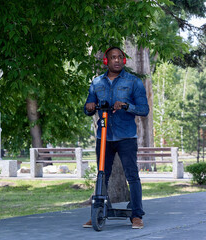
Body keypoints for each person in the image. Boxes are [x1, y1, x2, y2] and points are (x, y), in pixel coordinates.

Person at [83, 47, 149, 229]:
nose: (117, 60)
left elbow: (144, 109)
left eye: (120, 57)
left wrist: (126, 106)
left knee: (132, 176)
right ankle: (99, 212)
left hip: (126, 136)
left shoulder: (133, 82)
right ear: (106, 61)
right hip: (103, 136)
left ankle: (136, 215)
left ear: (124, 60)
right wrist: (89, 107)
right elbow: (88, 107)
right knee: (102, 176)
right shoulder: (96, 83)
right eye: (113, 58)